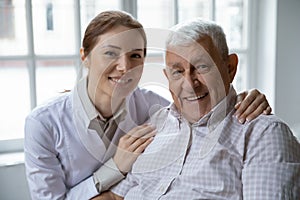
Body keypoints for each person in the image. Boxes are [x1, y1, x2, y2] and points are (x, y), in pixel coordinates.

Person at [24, 11, 272, 200]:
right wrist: (115, 167)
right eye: (110, 53)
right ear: (85, 57)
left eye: (135, 55)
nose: (124, 67)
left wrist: (241, 97)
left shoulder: (152, 107)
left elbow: (200, 111)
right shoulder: (43, 124)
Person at [97, 18, 300, 199]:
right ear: (167, 78)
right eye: (177, 71)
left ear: (230, 68)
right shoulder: (155, 124)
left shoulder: (263, 133)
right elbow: (114, 197)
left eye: (202, 67)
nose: (190, 84)